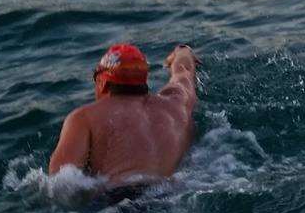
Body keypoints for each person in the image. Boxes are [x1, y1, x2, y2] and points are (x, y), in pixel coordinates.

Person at [47, 43, 198, 186]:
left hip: (119, 202)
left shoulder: (84, 117)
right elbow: (183, 72)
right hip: (171, 192)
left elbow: (60, 183)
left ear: (102, 82)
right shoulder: (177, 103)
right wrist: (182, 51)